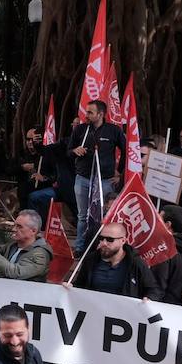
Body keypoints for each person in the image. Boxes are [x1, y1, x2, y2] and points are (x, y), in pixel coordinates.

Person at [67, 222, 161, 364]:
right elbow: (78, 288)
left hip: (120, 338)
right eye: (101, 239)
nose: (103, 244)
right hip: (90, 332)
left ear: (123, 241)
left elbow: (154, 290)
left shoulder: (136, 265)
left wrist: (148, 301)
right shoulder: (90, 262)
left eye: (110, 240)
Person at [67, 100, 123, 251]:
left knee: (102, 215)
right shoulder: (80, 129)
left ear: (101, 114)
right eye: (86, 112)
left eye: (90, 112)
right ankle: (79, 248)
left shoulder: (113, 130)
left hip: (104, 180)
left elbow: (126, 150)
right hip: (83, 178)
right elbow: (68, 151)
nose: (87, 115)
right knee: (82, 216)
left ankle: (100, 246)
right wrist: (75, 151)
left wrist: (120, 174)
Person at [0, 210, 52, 282]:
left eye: (19, 227)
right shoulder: (13, 244)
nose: (14, 229)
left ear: (33, 231)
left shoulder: (40, 254)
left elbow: (15, 272)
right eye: (14, 225)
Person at [151, 204, 182, 305]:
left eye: (159, 218)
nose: (155, 221)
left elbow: (158, 287)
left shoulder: (164, 251)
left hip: (166, 307)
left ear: (168, 224)